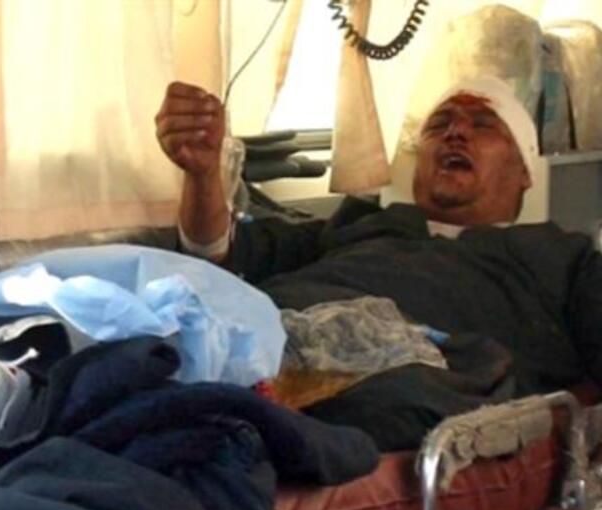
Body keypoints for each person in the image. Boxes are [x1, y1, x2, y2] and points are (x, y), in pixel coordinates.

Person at [155, 76, 602, 450]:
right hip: (257, 338)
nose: (455, 133)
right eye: (440, 124)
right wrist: (202, 174)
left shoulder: (560, 258)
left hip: (390, 381)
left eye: (484, 125)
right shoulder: (358, 224)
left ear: (525, 170)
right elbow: (216, 252)